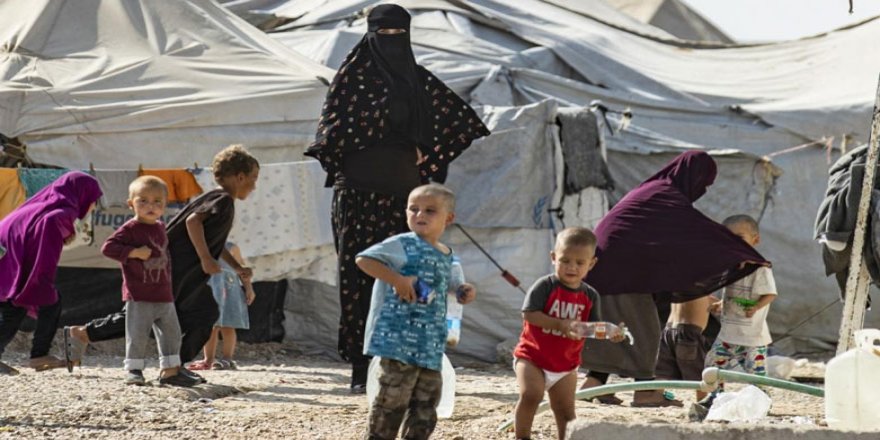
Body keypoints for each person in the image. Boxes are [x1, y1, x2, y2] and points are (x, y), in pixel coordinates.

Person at [305, 3, 490, 393]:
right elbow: (332, 134)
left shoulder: (416, 81)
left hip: (404, 201)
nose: (390, 41)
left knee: (410, 275)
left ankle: (404, 360)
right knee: (359, 278)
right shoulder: (351, 79)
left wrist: (423, 147)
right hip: (357, 196)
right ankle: (361, 366)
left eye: (397, 34)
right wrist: (387, 125)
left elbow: (460, 122)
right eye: (383, 33)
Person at [579, 150, 770, 407]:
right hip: (620, 273)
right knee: (646, 331)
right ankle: (646, 393)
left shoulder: (652, 192)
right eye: (703, 183)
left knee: (621, 329)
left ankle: (593, 385)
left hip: (601, 269)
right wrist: (741, 253)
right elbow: (697, 233)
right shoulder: (667, 197)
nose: (702, 189)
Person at [64, 145, 259, 382]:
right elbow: (193, 222)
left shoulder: (216, 199)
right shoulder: (223, 199)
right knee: (145, 313)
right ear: (240, 177)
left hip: (187, 272)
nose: (254, 185)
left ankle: (174, 367)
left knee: (203, 314)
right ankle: (84, 334)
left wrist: (236, 267)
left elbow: (214, 240)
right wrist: (206, 259)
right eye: (253, 178)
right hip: (173, 268)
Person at [356, 183, 476, 440]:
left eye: (430, 210)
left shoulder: (446, 254)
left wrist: (463, 290)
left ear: (448, 218)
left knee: (426, 405)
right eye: (414, 209)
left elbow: (450, 284)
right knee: (391, 402)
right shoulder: (402, 244)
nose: (420, 215)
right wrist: (397, 280)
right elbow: (364, 259)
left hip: (430, 343)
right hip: (397, 341)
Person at [512, 227, 624, 440]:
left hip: (566, 364)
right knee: (531, 395)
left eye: (580, 263)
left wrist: (611, 332)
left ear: (591, 264)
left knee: (565, 411)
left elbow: (592, 328)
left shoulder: (590, 295)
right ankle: (522, 437)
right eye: (565, 261)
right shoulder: (545, 286)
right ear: (554, 258)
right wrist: (559, 324)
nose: (572, 267)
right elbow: (529, 314)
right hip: (532, 356)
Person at [0, 171, 102, 374]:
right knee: (31, 304)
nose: (93, 207)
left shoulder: (42, 206)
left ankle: (39, 355)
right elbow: (45, 252)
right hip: (10, 265)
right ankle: (39, 355)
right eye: (93, 200)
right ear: (82, 195)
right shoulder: (60, 214)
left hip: (8, 261)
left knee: (20, 307)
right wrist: (41, 282)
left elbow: (32, 236)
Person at [101, 176, 197, 386]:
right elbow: (108, 248)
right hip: (140, 293)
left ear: (165, 204)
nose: (150, 206)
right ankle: (134, 370)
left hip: (163, 292)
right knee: (137, 334)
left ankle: (171, 370)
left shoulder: (161, 227)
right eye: (143, 201)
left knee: (172, 333)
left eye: (157, 201)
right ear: (131, 203)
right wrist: (133, 252)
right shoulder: (130, 228)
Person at [694, 214, 777, 415]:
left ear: (755, 240)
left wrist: (756, 307)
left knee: (755, 374)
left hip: (752, 337)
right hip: (728, 334)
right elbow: (733, 294)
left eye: (740, 238)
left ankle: (763, 401)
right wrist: (722, 304)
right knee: (713, 364)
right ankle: (715, 397)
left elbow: (770, 294)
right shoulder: (731, 267)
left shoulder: (760, 269)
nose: (734, 243)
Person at [189, 241, 255, 371]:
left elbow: (242, 270)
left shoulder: (232, 248)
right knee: (211, 326)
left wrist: (249, 288)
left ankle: (227, 359)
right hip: (210, 290)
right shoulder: (203, 246)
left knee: (228, 326)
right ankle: (208, 359)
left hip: (229, 290)